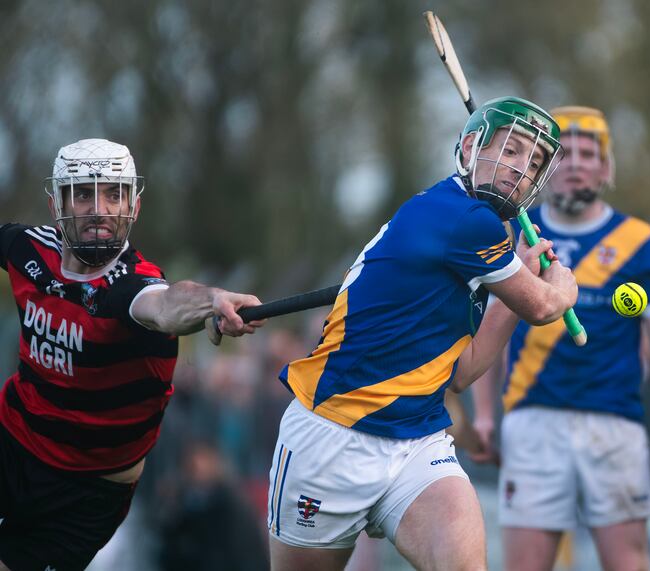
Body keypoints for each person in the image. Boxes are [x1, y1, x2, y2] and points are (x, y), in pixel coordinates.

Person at [266, 96, 578, 571]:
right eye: (511, 151)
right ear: (472, 147)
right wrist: (561, 286)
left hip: (418, 443)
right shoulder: (463, 219)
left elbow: (461, 373)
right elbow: (542, 307)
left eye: (533, 163)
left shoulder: (476, 238)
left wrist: (521, 289)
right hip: (332, 436)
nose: (520, 170)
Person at [0, 138, 264, 571]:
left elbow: (166, 303)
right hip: (11, 439)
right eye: (84, 193)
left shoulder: (132, 286)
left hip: (83, 495)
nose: (100, 208)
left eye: (113, 193)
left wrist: (214, 299)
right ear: (56, 204)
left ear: (134, 207)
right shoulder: (28, 249)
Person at [471, 106, 650, 571]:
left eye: (588, 153)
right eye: (564, 154)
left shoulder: (641, 241)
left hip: (614, 424)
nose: (576, 162)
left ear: (606, 168)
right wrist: (483, 413)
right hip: (532, 421)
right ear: (545, 168)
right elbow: (491, 325)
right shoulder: (515, 232)